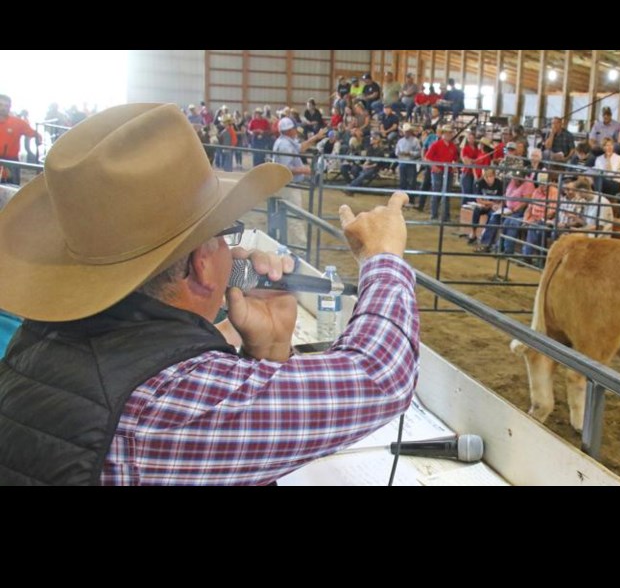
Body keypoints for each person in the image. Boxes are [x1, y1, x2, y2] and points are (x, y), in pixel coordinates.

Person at [0, 103, 419, 485]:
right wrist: (382, 258)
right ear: (201, 263)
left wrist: (269, 350)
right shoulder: (167, 399)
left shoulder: (43, 338)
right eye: (224, 236)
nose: (236, 250)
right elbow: (381, 376)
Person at [272, 116, 324, 246]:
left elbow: (300, 148)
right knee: (294, 216)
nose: (296, 130)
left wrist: (316, 137)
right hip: (289, 184)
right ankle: (300, 248)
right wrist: (304, 170)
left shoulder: (286, 141)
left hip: (286, 184)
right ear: (289, 130)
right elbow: (286, 168)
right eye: (294, 128)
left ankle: (288, 244)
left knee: (289, 215)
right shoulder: (285, 145)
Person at [0, 94, 41, 185]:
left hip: (11, 163)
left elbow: (34, 133)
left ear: (10, 107)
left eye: (6, 106)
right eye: (1, 105)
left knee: (12, 189)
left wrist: (38, 138)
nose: (3, 108)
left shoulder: (18, 123)